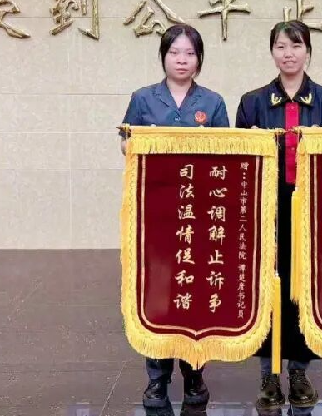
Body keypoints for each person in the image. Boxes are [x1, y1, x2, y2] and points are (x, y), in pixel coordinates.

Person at [236, 20, 322, 410]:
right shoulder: (252, 102)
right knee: (267, 288)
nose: (289, 54)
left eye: (296, 46)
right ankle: (268, 374)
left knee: (304, 289)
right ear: (272, 53)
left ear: (308, 52)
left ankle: (300, 371)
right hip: (266, 209)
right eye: (281, 46)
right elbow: (240, 163)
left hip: (311, 209)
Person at [121, 23, 229, 409]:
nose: (181, 60)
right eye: (174, 52)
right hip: (157, 214)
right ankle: (157, 377)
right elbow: (126, 143)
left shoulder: (212, 102)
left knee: (196, 293)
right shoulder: (143, 99)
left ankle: (194, 372)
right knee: (158, 294)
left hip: (199, 216)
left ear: (199, 60)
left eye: (189, 53)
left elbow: (227, 154)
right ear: (163, 57)